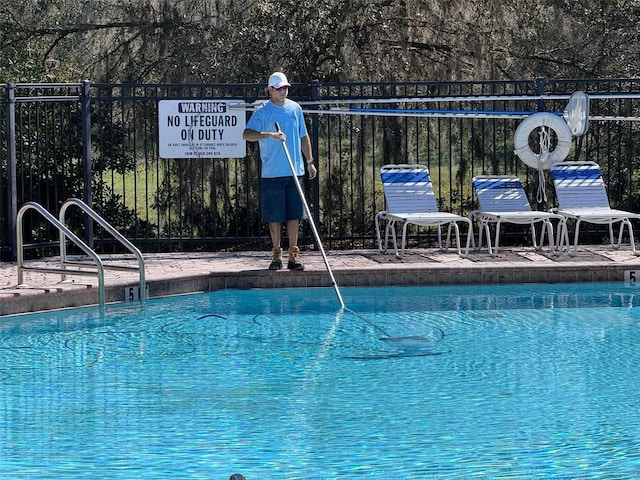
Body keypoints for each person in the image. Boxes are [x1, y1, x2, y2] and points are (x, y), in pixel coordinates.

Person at [243, 71, 317, 271]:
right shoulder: (263, 112)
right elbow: (247, 134)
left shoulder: (295, 109)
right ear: (270, 89)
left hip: (295, 171)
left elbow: (303, 136)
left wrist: (309, 161)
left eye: (285, 88)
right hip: (272, 172)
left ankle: (294, 255)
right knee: (274, 216)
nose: (283, 91)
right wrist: (271, 135)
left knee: (294, 215)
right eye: (279, 88)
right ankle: (277, 255)